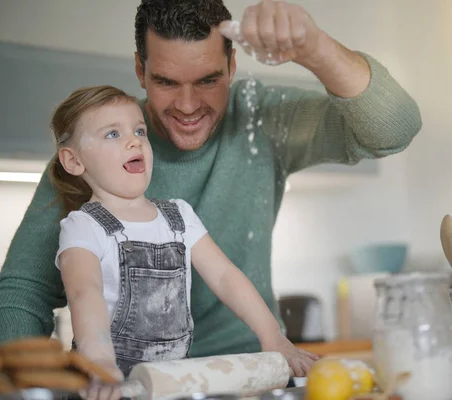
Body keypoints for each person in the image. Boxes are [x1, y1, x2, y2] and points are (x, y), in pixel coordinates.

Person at [0, 0, 422, 359]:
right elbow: (22, 290)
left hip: (248, 371)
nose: (189, 105)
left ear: (232, 65)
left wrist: (314, 49)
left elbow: (395, 129)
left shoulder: (261, 120)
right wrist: (18, 381)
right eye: (166, 82)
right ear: (140, 70)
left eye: (208, 80)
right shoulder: (93, 154)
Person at [48, 85, 317, 388]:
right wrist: (100, 363)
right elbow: (86, 294)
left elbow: (226, 277)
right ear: (73, 161)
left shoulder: (178, 216)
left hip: (171, 383)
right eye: (113, 134)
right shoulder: (83, 226)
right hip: (107, 386)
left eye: (139, 131)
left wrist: (274, 337)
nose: (134, 142)